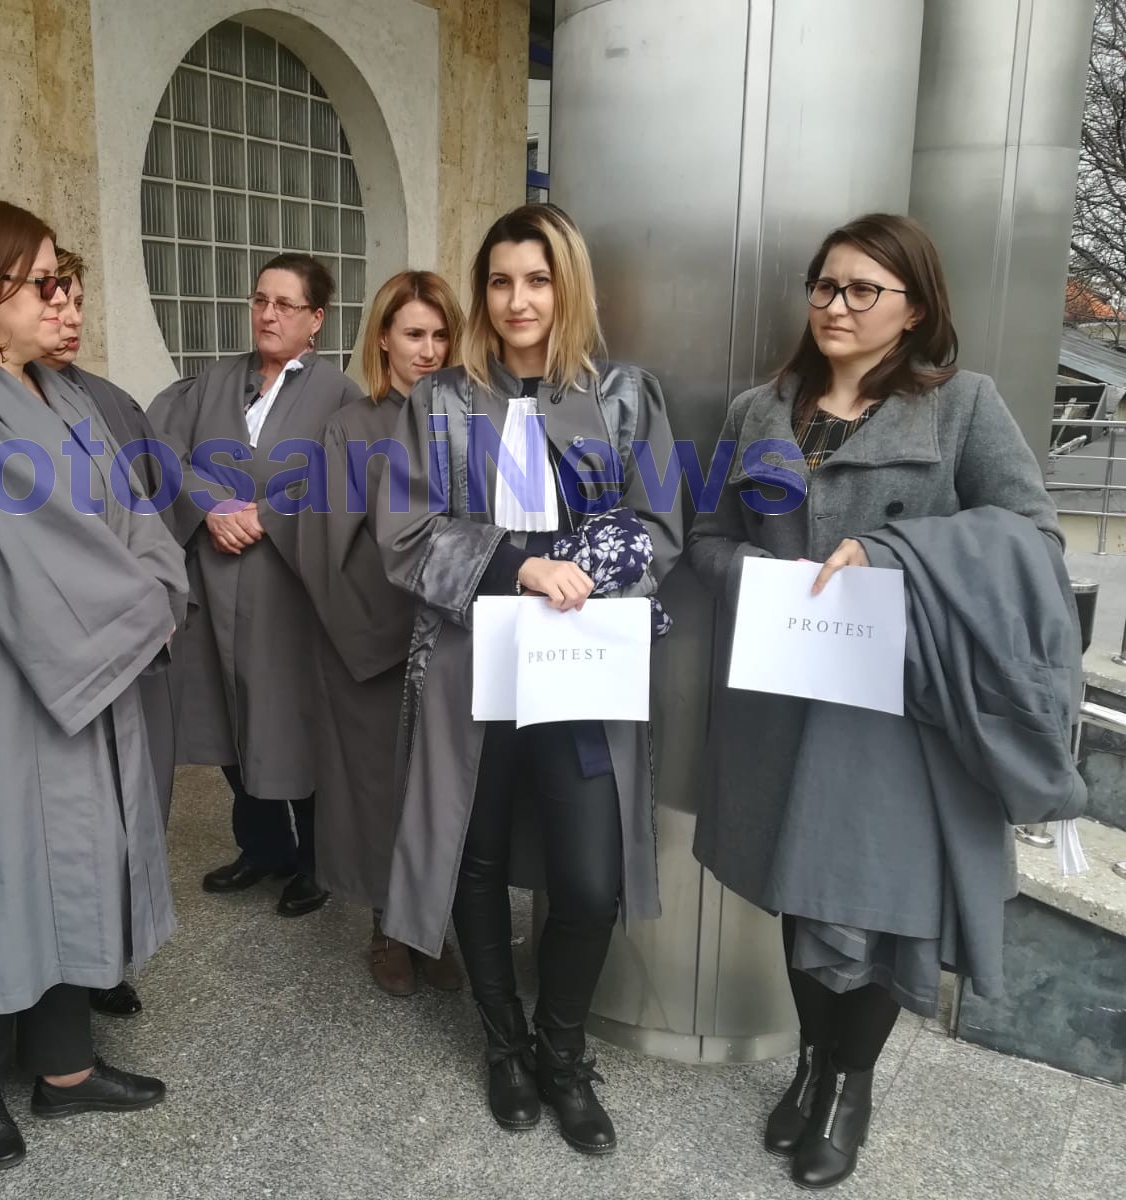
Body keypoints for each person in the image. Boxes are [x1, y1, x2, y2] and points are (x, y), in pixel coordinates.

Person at [688, 213, 1084, 1190]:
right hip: (784, 694)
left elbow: (1033, 541)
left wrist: (896, 553)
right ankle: (811, 1063)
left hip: (895, 712)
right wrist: (759, 580)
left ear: (913, 310)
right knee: (795, 890)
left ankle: (846, 1089)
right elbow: (706, 537)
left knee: (870, 901)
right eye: (825, 285)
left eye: (863, 289)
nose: (835, 305)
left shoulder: (962, 406)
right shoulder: (759, 411)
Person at [375, 205, 682, 1154]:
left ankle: (563, 1051)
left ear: (568, 286)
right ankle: (505, 1045)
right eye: (501, 281)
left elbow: (662, 528)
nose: (518, 301)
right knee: (476, 859)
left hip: (579, 662)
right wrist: (518, 564)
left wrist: (584, 565)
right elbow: (404, 534)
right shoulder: (439, 402)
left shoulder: (624, 397)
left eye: (538, 280)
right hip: (473, 657)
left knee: (589, 883)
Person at [0, 198, 187, 1172]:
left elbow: (133, 515)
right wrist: (134, 600)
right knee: (2, 877)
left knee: (75, 869)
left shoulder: (57, 393)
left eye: (62, 278)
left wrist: (153, 585)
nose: (62, 297)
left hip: (81, 672)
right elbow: (30, 546)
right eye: (43, 281)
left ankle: (64, 1070)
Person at [152, 252, 360, 918]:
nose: (268, 315)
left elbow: (343, 479)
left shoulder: (340, 396)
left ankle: (318, 860)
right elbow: (161, 454)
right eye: (260, 300)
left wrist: (266, 515)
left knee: (294, 719)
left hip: (286, 585)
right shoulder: (213, 382)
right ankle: (263, 847)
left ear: (316, 319)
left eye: (285, 305)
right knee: (225, 714)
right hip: (213, 579)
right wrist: (209, 506)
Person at [289, 269, 467, 995]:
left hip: (458, 636)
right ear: (384, 340)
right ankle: (388, 927)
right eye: (413, 334)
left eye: (441, 334)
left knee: (444, 793)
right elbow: (322, 549)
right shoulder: (351, 428)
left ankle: (433, 925)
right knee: (377, 792)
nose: (429, 350)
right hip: (373, 640)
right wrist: (375, 642)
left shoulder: (468, 423)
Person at [38, 246, 174, 1020]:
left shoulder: (111, 404)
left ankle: (108, 962)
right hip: (49, 650)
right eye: (51, 298)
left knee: (123, 814)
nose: (69, 317)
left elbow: (154, 501)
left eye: (77, 300)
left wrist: (155, 601)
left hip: (125, 641)